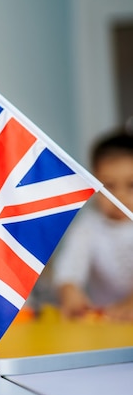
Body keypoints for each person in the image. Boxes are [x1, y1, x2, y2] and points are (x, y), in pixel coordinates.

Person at [53, 125, 133, 321]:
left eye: (131, 185)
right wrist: (69, 290)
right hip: (106, 326)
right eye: (110, 187)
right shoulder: (88, 227)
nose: (120, 196)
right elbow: (70, 267)